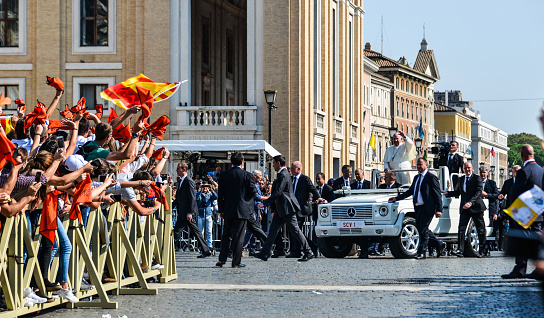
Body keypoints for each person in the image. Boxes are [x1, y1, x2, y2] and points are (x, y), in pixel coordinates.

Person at [253, 155, 315, 262]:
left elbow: (278, 192)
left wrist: (265, 203)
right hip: (282, 207)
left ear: (278, 163)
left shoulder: (283, 174)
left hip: (287, 207)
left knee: (295, 230)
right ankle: (265, 252)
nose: (272, 165)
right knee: (273, 230)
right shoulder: (283, 174)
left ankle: (308, 251)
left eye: (273, 163)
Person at [389, 158, 445, 259]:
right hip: (418, 207)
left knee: (423, 230)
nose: (418, 167)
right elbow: (410, 191)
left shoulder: (431, 177)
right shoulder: (416, 178)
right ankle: (439, 244)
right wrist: (397, 198)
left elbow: (437, 195)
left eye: (420, 165)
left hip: (427, 208)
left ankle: (422, 252)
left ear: (426, 165)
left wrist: (439, 209)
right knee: (421, 229)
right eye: (417, 165)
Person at [502, 145, 543, 279]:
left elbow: (515, 192)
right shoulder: (541, 170)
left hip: (523, 210)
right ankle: (539, 268)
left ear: (522, 155)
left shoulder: (523, 171)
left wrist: (513, 209)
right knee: (538, 237)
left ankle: (520, 269)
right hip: (538, 210)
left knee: (521, 238)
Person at [216, 152, 256, 268]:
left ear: (231, 162)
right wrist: (245, 197)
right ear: (242, 162)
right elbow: (253, 192)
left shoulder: (224, 175)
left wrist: (221, 209)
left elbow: (220, 194)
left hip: (228, 209)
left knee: (226, 234)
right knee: (239, 236)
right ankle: (236, 261)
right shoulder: (247, 175)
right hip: (242, 209)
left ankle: (222, 259)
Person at [444, 162, 487, 257]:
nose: (467, 170)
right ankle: (460, 250)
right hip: (464, 208)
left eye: (469, 168)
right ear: (463, 169)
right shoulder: (461, 179)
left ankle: (482, 250)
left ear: (472, 168)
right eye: (465, 168)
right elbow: (458, 192)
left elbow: (478, 192)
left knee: (480, 229)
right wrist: (447, 193)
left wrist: (470, 202)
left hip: (476, 207)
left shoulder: (477, 178)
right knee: (461, 229)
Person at [172, 162, 212, 258]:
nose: (177, 170)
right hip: (183, 212)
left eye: (178, 168)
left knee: (178, 231)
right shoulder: (181, 181)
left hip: (187, 212)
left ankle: (169, 250)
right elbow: (179, 198)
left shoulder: (188, 181)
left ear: (184, 170)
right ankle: (206, 250)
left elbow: (192, 197)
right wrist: (170, 206)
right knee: (194, 232)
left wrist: (190, 212)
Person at [289, 161, 323, 257]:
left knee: (296, 230)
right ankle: (303, 249)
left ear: (299, 169)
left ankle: (299, 250)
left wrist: (318, 197)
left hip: (301, 209)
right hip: (292, 208)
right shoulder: (291, 179)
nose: (291, 170)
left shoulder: (305, 179)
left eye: (293, 168)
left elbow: (313, 189)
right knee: (295, 230)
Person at [496, 165, 520, 251]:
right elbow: (502, 193)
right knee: (512, 228)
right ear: (512, 172)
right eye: (515, 171)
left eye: (518, 171)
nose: (517, 172)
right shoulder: (508, 182)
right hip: (511, 209)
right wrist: (501, 195)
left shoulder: (524, 182)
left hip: (521, 209)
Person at [243, 170, 268, 253]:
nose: (261, 177)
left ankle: (252, 248)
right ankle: (243, 247)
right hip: (252, 209)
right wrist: (268, 198)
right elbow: (257, 197)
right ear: (254, 176)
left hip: (256, 209)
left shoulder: (256, 185)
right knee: (252, 229)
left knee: (254, 229)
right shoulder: (252, 184)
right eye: (260, 175)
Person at [479, 166, 499, 253]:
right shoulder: (477, 182)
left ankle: (487, 246)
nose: (483, 174)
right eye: (481, 172)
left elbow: (496, 195)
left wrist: (486, 195)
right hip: (479, 209)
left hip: (490, 210)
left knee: (489, 228)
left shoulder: (492, 183)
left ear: (487, 173)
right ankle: (482, 246)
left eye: (484, 172)